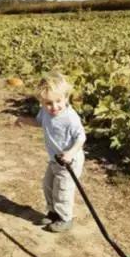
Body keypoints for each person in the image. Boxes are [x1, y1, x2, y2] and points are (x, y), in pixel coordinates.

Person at [15, 73, 86, 233]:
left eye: (58, 101)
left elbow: (81, 137)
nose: (54, 107)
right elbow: (39, 122)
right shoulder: (45, 112)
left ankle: (65, 218)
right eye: (48, 103)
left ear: (66, 97)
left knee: (63, 190)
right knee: (47, 185)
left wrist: (70, 153)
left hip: (69, 162)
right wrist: (23, 120)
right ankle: (53, 212)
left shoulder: (70, 118)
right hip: (55, 160)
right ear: (42, 102)